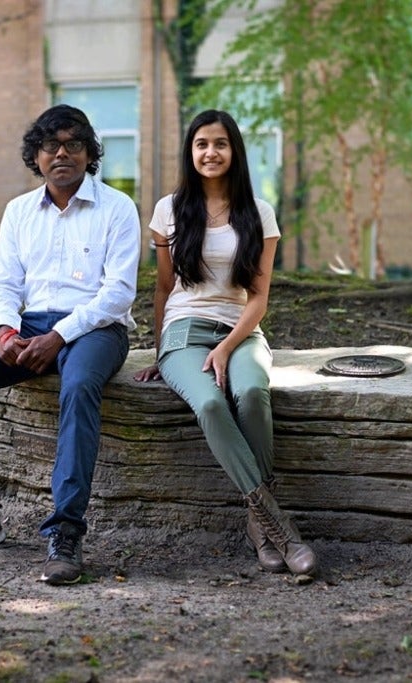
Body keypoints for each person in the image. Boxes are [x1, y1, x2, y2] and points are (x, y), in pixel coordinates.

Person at [0, 104, 141, 586]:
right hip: (28, 327)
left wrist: (59, 337)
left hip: (96, 330)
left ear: (89, 153)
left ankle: (65, 530)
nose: (62, 153)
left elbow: (118, 294)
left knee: (78, 384)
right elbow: (3, 285)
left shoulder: (118, 208)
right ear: (35, 155)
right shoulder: (18, 212)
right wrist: (4, 330)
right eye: (50, 145)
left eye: (74, 144)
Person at [134, 109, 316, 576]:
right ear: (190, 152)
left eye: (219, 144)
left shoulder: (259, 213)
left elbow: (258, 297)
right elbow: (163, 290)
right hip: (184, 334)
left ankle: (258, 526)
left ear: (234, 151)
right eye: (201, 144)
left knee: (252, 393)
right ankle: (278, 527)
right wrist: (163, 354)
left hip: (242, 330)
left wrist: (228, 346)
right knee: (212, 404)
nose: (210, 152)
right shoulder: (168, 211)